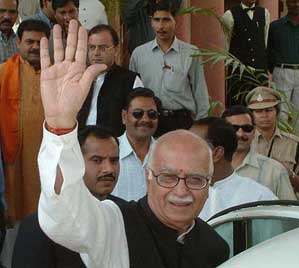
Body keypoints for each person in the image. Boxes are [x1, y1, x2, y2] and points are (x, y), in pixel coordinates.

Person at [37, 19, 229, 267]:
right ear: (148, 176)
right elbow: (65, 217)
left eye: (195, 179)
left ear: (209, 184)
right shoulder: (115, 224)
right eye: (168, 177)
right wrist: (60, 128)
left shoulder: (215, 247)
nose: (181, 192)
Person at [12, 126, 125, 268]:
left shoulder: (126, 214)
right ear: (75, 163)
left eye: (114, 160)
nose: (109, 169)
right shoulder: (40, 225)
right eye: (97, 160)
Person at [129, 0, 209, 136]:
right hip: (150, 121)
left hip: (181, 121)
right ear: (151, 21)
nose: (161, 26)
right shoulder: (139, 54)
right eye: (156, 20)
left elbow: (199, 92)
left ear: (175, 20)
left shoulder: (191, 53)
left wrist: (200, 129)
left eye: (166, 20)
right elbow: (133, 93)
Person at [0, 19, 50, 223]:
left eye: (41, 42)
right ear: (18, 42)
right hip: (13, 162)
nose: (35, 47)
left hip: (49, 159)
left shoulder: (57, 74)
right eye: (30, 41)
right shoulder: (3, 73)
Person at [190, 117, 277, 221]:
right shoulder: (179, 191)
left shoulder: (259, 198)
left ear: (217, 153)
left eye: (192, 147)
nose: (183, 153)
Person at [77, 24, 143, 136]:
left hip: (114, 147)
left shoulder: (130, 80)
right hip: (80, 144)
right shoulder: (79, 78)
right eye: (92, 47)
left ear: (116, 50)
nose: (96, 53)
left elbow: (139, 119)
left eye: (102, 48)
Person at [222, 105, 297, 200]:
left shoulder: (274, 171)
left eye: (247, 128)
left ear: (254, 131)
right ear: (222, 132)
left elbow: (288, 211)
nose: (240, 134)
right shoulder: (210, 168)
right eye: (233, 128)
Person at [246, 86, 299, 197]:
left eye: (269, 110)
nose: (264, 115)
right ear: (251, 114)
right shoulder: (243, 142)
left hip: (284, 204)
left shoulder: (294, 144)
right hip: (250, 205)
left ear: (277, 112)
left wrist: (289, 175)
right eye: (258, 111)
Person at [112, 88, 160, 201]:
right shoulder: (109, 152)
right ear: (124, 116)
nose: (145, 119)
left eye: (152, 114)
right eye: (138, 114)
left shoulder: (167, 154)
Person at [222, 0, 270, 106]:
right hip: (238, 72)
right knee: (238, 105)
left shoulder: (265, 13)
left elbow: (264, 41)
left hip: (259, 71)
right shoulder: (229, 15)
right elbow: (226, 44)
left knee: (260, 105)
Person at [267, 0, 299, 135]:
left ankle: (297, 151)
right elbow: (269, 50)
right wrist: (274, 69)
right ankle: (280, 148)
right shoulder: (275, 26)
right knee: (281, 113)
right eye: (293, 1)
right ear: (287, 3)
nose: (297, 4)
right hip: (281, 71)